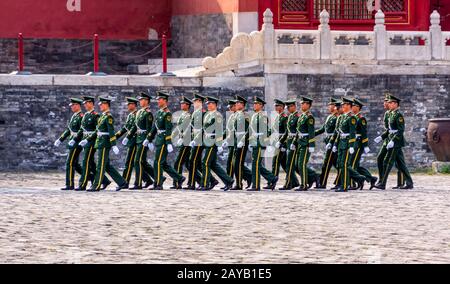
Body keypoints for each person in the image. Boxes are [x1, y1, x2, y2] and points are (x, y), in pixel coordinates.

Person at [80, 97, 128, 192]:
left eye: (102, 104)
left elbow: (111, 131)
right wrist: (87, 140)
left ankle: (96, 185)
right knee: (106, 165)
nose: (100, 106)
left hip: (105, 143)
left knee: (100, 165)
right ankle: (122, 182)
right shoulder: (102, 116)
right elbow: (97, 131)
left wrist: (113, 144)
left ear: (106, 105)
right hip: (100, 142)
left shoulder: (108, 117)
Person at [147, 91, 185, 190]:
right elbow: (154, 128)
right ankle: (179, 178)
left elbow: (168, 130)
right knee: (163, 163)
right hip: (159, 140)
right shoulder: (159, 112)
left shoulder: (167, 114)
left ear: (165, 101)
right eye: (158, 99)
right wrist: (149, 139)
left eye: (160, 99)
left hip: (164, 140)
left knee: (158, 162)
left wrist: (168, 143)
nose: (158, 101)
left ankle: (158, 184)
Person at [374, 95, 414, 190]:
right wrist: (381, 137)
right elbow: (389, 130)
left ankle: (382, 183)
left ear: (396, 104)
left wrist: (393, 141)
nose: (389, 104)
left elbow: (400, 130)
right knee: (399, 163)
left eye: (391, 103)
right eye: (389, 102)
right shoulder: (390, 114)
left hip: (396, 141)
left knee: (387, 161)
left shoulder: (398, 115)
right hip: (389, 139)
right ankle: (409, 183)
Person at [73, 96, 110, 191]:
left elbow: (97, 130)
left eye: (86, 103)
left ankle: (83, 184)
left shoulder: (95, 115)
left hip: (92, 142)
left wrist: (88, 140)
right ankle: (104, 180)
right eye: (84, 103)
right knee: (91, 163)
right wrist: (76, 138)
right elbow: (82, 129)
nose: (84, 105)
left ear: (91, 103)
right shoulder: (85, 115)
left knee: (85, 161)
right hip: (86, 141)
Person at [115, 96, 151, 190]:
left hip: (136, 141)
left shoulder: (138, 114)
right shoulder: (132, 115)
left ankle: (126, 181)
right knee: (136, 162)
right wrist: (116, 137)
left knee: (134, 162)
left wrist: (149, 140)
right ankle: (149, 179)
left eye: (129, 104)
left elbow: (144, 128)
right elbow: (126, 128)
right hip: (132, 141)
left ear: (133, 105)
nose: (127, 106)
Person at [198, 96, 234, 191]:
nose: (208, 105)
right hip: (207, 141)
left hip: (213, 141)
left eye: (210, 104)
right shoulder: (208, 115)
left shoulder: (217, 115)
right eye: (207, 104)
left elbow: (218, 130)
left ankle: (205, 183)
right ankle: (229, 180)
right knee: (213, 164)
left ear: (214, 105)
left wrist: (219, 144)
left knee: (205, 162)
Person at [185, 93, 218, 190]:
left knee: (195, 161)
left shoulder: (204, 113)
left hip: (200, 139)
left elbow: (204, 129)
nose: (194, 103)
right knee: (193, 162)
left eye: (196, 101)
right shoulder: (195, 113)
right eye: (194, 101)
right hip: (195, 138)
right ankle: (196, 182)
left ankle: (197, 182)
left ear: (200, 102)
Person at [332, 97, 365, 192]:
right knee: (340, 164)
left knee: (345, 164)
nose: (342, 106)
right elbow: (339, 132)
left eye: (344, 105)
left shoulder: (352, 118)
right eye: (342, 105)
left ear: (349, 106)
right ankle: (359, 178)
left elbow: (352, 133)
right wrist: (335, 144)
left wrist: (351, 146)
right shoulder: (342, 117)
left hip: (347, 144)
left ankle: (345, 186)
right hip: (341, 143)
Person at [248, 97, 278, 191]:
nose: (254, 105)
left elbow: (266, 131)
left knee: (255, 164)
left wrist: (266, 143)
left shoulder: (263, 116)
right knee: (256, 164)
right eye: (254, 103)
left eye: (256, 104)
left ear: (261, 105)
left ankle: (256, 185)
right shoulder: (254, 115)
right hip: (255, 141)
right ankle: (272, 178)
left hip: (260, 142)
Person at [54, 98, 84, 191]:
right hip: (72, 141)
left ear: (78, 105)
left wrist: (75, 140)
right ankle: (93, 178)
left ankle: (69, 184)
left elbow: (81, 130)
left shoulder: (81, 116)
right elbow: (69, 130)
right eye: (71, 105)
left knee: (69, 163)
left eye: (73, 105)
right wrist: (60, 139)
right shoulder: (74, 116)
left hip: (77, 142)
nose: (72, 107)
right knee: (75, 164)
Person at [127, 92, 155, 190]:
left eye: (142, 99)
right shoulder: (139, 112)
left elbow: (149, 128)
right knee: (142, 161)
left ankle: (138, 183)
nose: (140, 101)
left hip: (144, 140)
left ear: (146, 101)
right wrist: (128, 136)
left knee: (137, 161)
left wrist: (149, 140)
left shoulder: (148, 113)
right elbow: (135, 126)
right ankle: (158, 178)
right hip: (138, 139)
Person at [348, 98, 378, 190]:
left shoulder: (361, 119)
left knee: (352, 164)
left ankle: (353, 183)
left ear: (358, 107)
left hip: (358, 143)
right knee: (355, 165)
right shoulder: (353, 117)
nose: (352, 107)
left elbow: (364, 133)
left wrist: (365, 145)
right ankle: (371, 178)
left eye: (353, 106)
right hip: (354, 142)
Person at [293, 97, 319, 191]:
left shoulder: (309, 117)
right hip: (300, 143)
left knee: (301, 164)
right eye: (301, 103)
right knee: (296, 165)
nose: (301, 105)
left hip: (305, 144)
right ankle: (312, 178)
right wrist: (294, 142)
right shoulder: (302, 116)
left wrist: (311, 145)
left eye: (303, 103)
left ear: (308, 105)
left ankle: (303, 185)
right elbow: (298, 131)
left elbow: (311, 132)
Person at [315, 98, 339, 189]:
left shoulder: (337, 118)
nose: (329, 107)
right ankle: (353, 179)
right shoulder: (330, 117)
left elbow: (337, 132)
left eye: (331, 105)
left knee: (327, 163)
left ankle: (323, 183)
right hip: (329, 142)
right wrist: (312, 134)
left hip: (334, 143)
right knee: (336, 164)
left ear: (335, 106)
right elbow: (322, 129)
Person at [230, 95, 253, 191]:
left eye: (238, 103)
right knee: (235, 163)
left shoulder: (245, 115)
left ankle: (239, 184)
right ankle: (246, 179)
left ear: (242, 104)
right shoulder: (237, 115)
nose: (236, 104)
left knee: (238, 163)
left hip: (242, 141)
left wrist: (243, 140)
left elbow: (249, 129)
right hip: (236, 140)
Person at [279, 100, 301, 190]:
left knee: (290, 164)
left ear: (293, 107)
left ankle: (288, 184)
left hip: (294, 143)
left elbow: (298, 131)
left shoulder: (297, 116)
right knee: (289, 164)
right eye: (287, 107)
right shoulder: (290, 116)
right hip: (289, 142)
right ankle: (292, 182)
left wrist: (294, 143)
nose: (287, 109)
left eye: (289, 107)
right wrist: (281, 141)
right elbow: (287, 132)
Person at [171, 96, 192, 189]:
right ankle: (201, 180)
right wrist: (172, 136)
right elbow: (179, 127)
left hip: (186, 142)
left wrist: (182, 138)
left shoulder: (188, 116)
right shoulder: (182, 115)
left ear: (187, 105)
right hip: (182, 141)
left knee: (178, 163)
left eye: (183, 103)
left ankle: (177, 182)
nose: (181, 105)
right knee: (188, 164)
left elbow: (187, 129)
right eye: (181, 103)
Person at [270, 99, 288, 184]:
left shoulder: (284, 117)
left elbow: (287, 132)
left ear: (282, 107)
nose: (275, 107)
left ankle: (272, 181)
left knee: (275, 161)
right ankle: (293, 181)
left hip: (281, 143)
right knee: (284, 164)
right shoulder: (277, 117)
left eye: (277, 106)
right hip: (276, 142)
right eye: (275, 106)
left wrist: (284, 144)